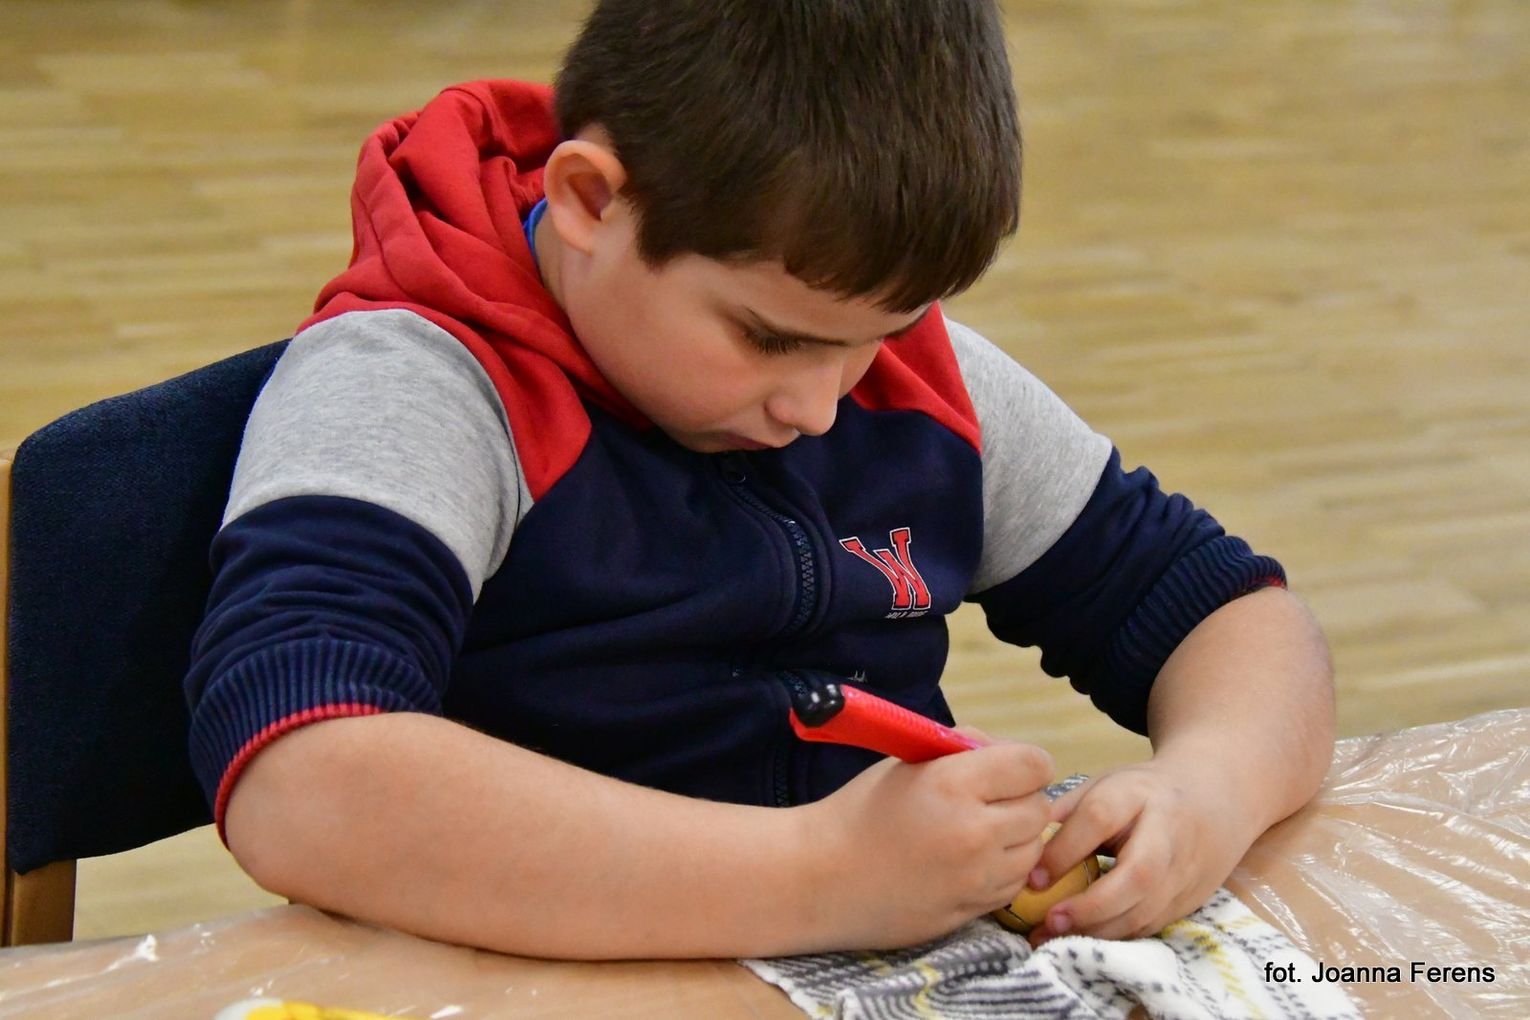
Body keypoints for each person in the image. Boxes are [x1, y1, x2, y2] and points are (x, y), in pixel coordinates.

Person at [184, 0, 1334, 960]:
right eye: (769, 338)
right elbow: (304, 781)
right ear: (590, 202)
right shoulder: (418, 384)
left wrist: (1209, 791)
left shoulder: (919, 378)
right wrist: (819, 875)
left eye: (880, 334)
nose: (820, 406)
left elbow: (1228, 612)